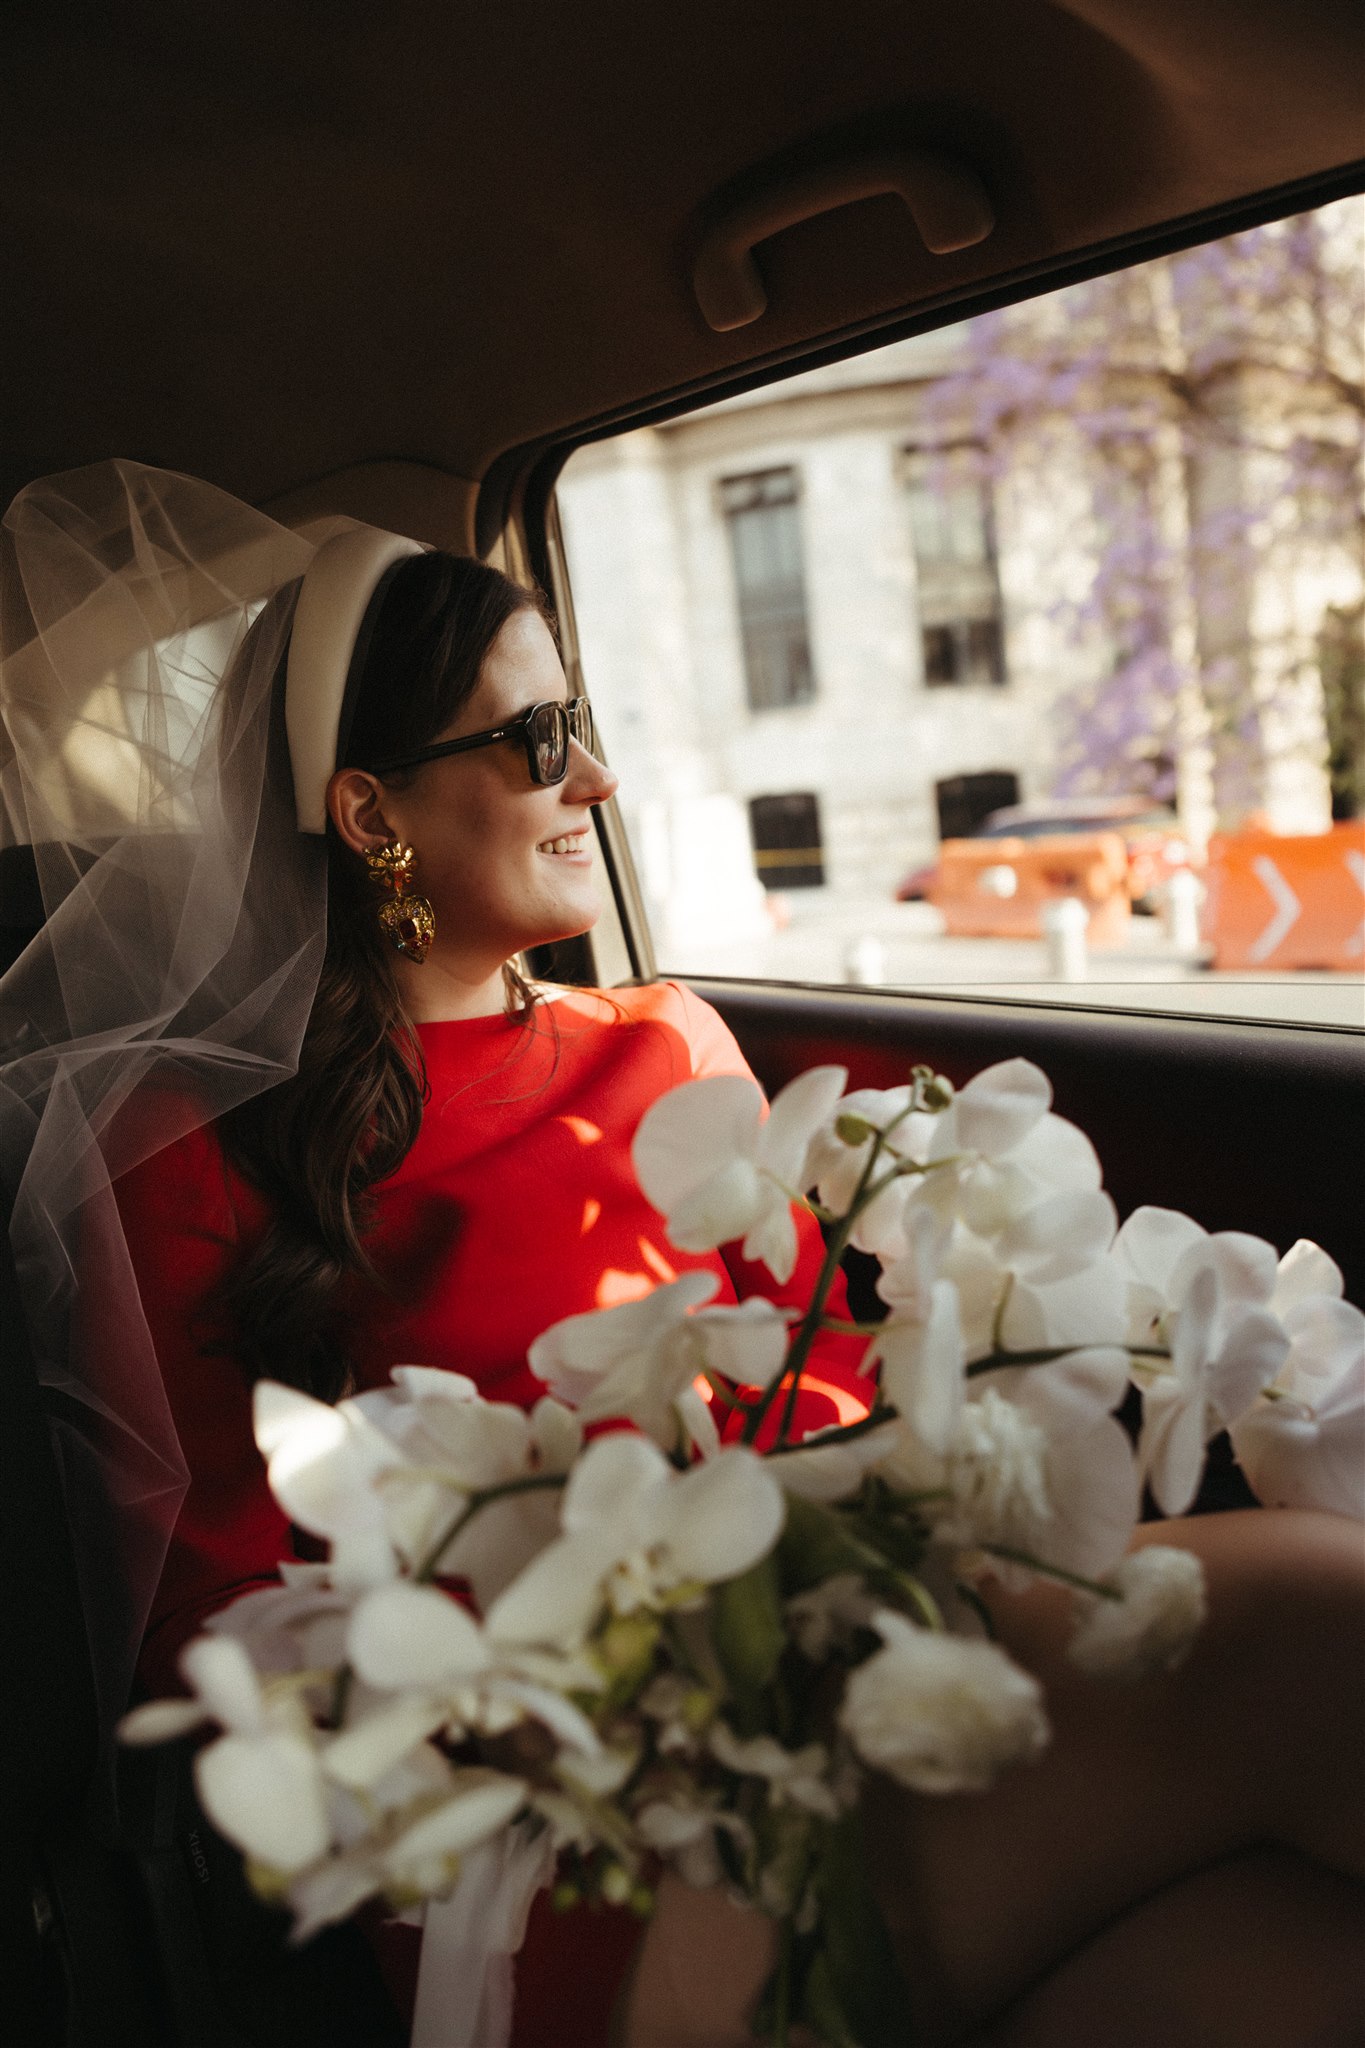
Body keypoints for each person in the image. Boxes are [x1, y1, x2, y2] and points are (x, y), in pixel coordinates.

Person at [3, 465, 1362, 2048]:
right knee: (1305, 1609)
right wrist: (588, 1667)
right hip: (551, 1823)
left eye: (576, 725)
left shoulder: (668, 1042)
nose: (595, 781)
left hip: (831, 1669)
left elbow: (823, 1392)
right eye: (533, 741)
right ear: (369, 810)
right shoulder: (184, 1144)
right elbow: (216, 1621)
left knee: (1294, 1962)